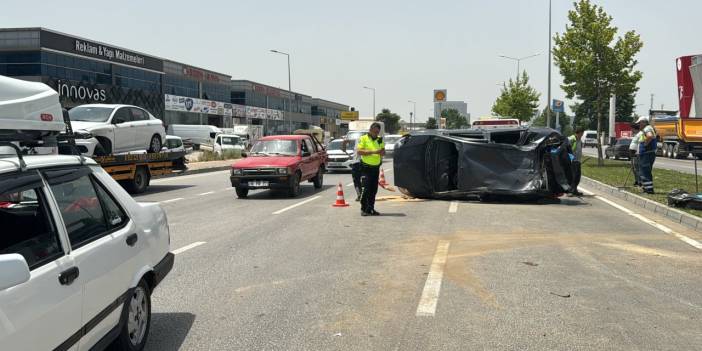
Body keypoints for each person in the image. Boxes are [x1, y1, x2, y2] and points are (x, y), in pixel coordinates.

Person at [357, 123, 385, 216]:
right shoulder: (363, 138)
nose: (376, 133)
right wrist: (374, 152)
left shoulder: (380, 139)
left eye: (377, 132)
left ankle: (371, 208)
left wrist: (382, 152)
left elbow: (383, 151)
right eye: (374, 131)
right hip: (365, 167)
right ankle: (363, 208)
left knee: (373, 190)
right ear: (370, 130)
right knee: (365, 189)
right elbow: (360, 151)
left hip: (375, 168)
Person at [637, 116, 657, 194]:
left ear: (643, 122)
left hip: (646, 154)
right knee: (645, 171)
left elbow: (649, 136)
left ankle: (648, 190)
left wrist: (645, 144)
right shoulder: (647, 128)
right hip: (647, 153)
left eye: (639, 123)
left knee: (645, 172)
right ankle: (647, 188)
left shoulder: (647, 128)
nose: (639, 125)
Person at [568, 127, 584, 196]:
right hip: (572, 161)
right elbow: (566, 148)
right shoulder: (571, 139)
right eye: (581, 133)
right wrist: (570, 158)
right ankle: (570, 191)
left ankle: (575, 190)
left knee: (577, 176)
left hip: (578, 160)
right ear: (578, 133)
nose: (582, 135)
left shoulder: (579, 140)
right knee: (573, 176)